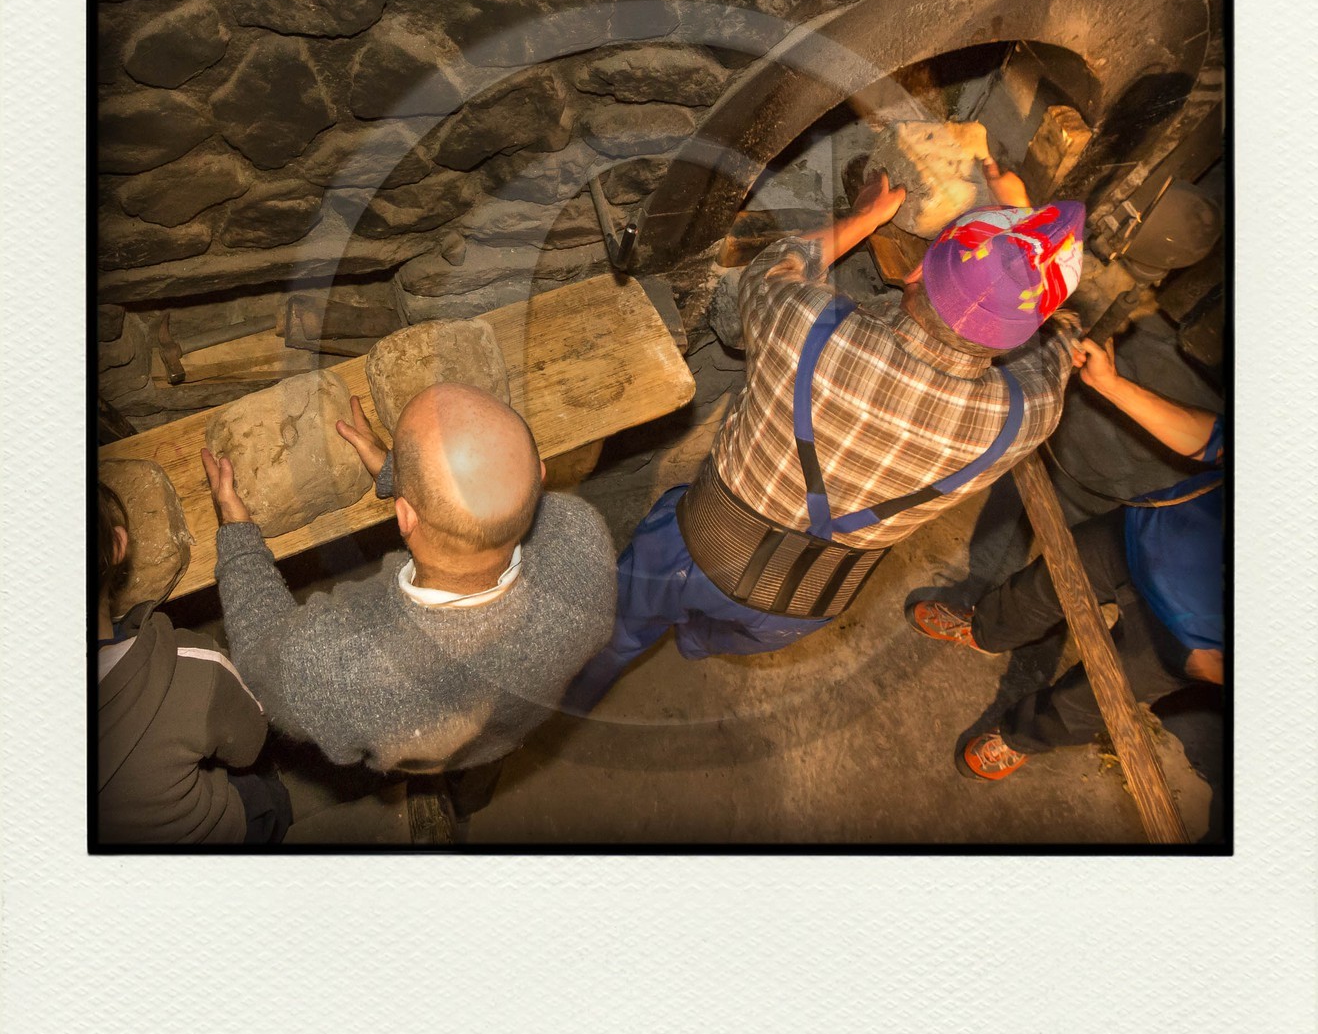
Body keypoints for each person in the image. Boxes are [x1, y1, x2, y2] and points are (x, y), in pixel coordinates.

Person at [563, 159, 1085, 714]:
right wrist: (1024, 247)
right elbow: (1063, 340)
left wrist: (865, 217)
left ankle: (572, 700)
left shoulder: (808, 325)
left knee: (616, 636)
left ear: (915, 271)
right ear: (1016, 336)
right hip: (800, 609)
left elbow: (778, 265)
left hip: (694, 548)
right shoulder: (1028, 417)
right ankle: (693, 640)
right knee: (710, 636)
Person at [201, 382, 616, 821]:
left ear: (404, 516)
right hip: (509, 729)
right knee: (483, 760)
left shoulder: (339, 667)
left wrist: (239, 539)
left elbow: (259, 655)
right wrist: (400, 476)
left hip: (422, 745)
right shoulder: (584, 543)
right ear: (540, 477)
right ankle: (471, 800)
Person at [907, 337, 1224, 782]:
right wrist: (1111, 385)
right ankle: (984, 630)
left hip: (1191, 640)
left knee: (1090, 701)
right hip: (1144, 533)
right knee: (1037, 590)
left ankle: (1020, 737)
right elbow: (1219, 440)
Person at [96, 480, 290, 845]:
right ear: (119, 545)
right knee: (261, 786)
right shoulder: (188, 669)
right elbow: (250, 740)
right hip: (220, 835)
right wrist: (241, 540)